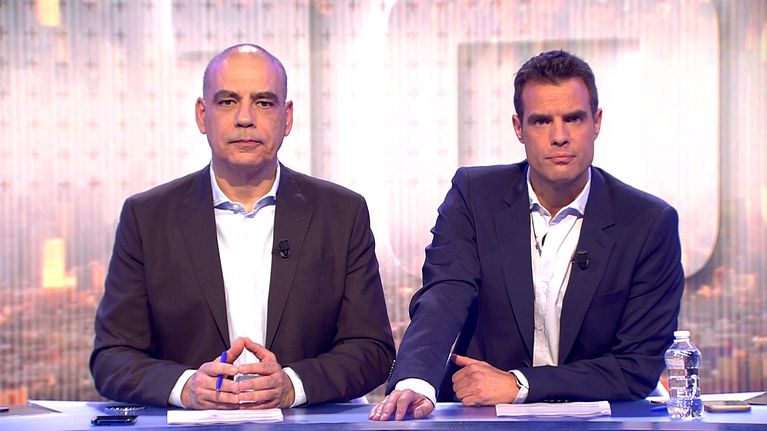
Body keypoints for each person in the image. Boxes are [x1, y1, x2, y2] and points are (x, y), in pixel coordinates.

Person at [370, 50, 685, 421]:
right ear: (518, 128)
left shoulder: (648, 223)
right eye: (541, 121)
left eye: (573, 118)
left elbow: (636, 366)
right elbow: (444, 294)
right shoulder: (475, 196)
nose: (560, 137)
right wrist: (416, 381)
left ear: (596, 122)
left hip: (600, 420)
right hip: (483, 418)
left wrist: (520, 385)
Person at [90, 44, 395, 410]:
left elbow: (372, 350)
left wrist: (292, 386)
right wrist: (186, 387)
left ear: (286, 117)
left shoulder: (342, 214)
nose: (245, 118)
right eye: (227, 101)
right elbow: (112, 357)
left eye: (263, 102)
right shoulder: (147, 218)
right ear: (202, 115)